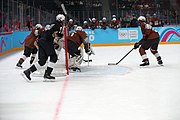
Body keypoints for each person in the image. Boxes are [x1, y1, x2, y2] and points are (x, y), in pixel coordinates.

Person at [22, 14, 65, 81]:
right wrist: (61, 35)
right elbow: (58, 35)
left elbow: (48, 32)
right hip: (47, 42)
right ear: (61, 20)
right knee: (54, 57)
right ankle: (47, 74)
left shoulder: (51, 24)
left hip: (41, 41)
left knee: (42, 61)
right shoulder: (58, 26)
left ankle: (27, 72)